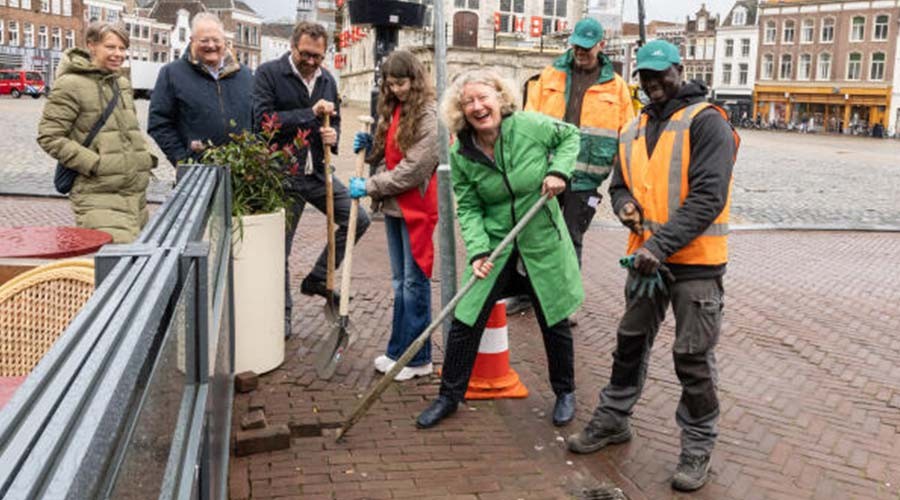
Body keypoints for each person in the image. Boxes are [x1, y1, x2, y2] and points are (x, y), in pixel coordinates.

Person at [566, 40, 739, 493]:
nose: (653, 83)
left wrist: (658, 245)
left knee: (692, 358)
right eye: (644, 75)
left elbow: (708, 197)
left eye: (661, 74)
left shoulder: (707, 123)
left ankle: (697, 445)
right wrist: (624, 207)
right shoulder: (633, 126)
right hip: (646, 260)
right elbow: (620, 183)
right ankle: (614, 418)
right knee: (629, 342)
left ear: (679, 70)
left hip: (695, 265)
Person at [415, 69, 584, 430]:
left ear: (499, 98)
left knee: (553, 319)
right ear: (461, 112)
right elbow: (469, 206)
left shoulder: (528, 126)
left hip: (541, 240)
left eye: (483, 97)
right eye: (468, 102)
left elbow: (570, 136)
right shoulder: (461, 153)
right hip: (497, 245)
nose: (478, 107)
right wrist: (477, 252)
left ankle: (565, 392)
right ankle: (449, 396)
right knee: (466, 316)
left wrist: (559, 171)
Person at [252, 21, 370, 337]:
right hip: (282, 176)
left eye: (318, 56)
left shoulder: (328, 80)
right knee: (280, 251)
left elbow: (337, 123)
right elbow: (262, 123)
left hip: (318, 173)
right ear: (293, 47)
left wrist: (333, 136)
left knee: (359, 218)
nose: (312, 61)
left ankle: (318, 277)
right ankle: (282, 317)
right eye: (306, 54)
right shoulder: (268, 74)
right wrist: (310, 113)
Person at [524, 17, 634, 324]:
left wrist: (623, 180)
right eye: (576, 46)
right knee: (539, 233)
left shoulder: (617, 86)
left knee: (572, 237)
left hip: (586, 178)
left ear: (601, 46)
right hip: (546, 170)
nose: (581, 52)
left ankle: (566, 302)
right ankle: (531, 292)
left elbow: (627, 135)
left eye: (587, 47)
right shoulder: (551, 75)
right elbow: (530, 119)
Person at [348, 50, 439, 381]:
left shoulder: (430, 117)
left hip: (418, 208)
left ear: (415, 80)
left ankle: (418, 358)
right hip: (395, 207)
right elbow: (387, 155)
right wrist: (369, 146)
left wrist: (370, 186)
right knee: (401, 283)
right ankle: (398, 351)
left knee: (415, 283)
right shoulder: (395, 110)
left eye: (401, 83)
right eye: (390, 84)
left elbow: (412, 169)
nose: (396, 90)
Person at [37, 22, 157, 243]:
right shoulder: (70, 84)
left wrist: (145, 157)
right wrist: (95, 164)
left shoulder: (121, 83)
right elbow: (49, 136)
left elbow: (128, 129)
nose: (118, 54)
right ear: (91, 46)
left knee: (135, 266)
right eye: (110, 47)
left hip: (134, 195)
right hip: (97, 194)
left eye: (122, 48)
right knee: (116, 264)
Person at [148, 12, 253, 170]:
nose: (211, 45)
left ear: (224, 41)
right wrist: (182, 160)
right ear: (192, 41)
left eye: (216, 40)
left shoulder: (246, 75)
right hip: (196, 171)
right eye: (204, 40)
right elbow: (158, 123)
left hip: (242, 172)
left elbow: (258, 120)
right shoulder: (171, 74)